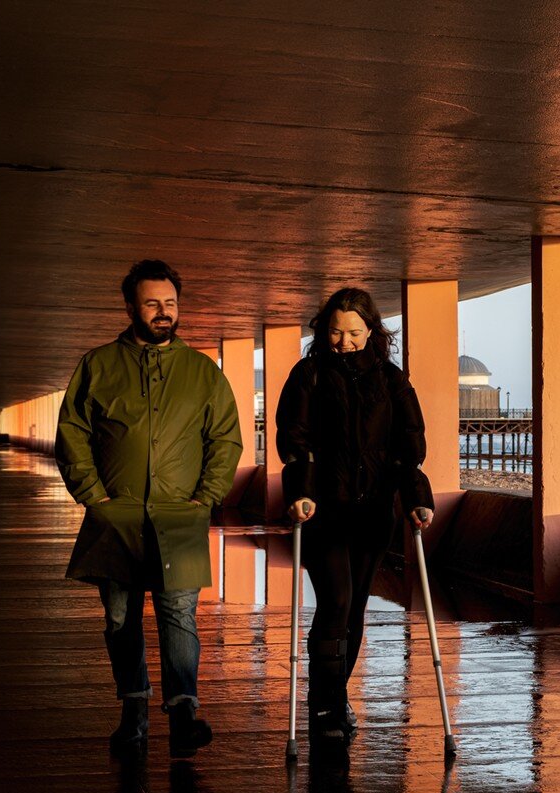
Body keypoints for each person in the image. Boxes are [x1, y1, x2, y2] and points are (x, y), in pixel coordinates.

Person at [56, 259, 243, 758]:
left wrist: (206, 496)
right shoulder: (98, 364)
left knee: (178, 614)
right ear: (131, 307)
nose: (164, 312)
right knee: (120, 618)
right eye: (153, 303)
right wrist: (92, 495)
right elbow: (72, 432)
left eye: (171, 303)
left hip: (179, 516)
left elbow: (225, 438)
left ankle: (184, 712)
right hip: (114, 517)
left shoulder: (203, 372)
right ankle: (133, 710)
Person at [275, 287, 434, 745]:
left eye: (353, 333)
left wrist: (417, 499)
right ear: (323, 330)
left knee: (356, 607)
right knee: (336, 602)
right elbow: (295, 441)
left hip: (373, 513)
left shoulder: (392, 380)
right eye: (335, 332)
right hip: (323, 511)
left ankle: (337, 693)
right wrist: (301, 493)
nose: (343, 341)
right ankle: (324, 704)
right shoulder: (309, 375)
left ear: (372, 331)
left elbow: (409, 450)